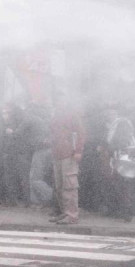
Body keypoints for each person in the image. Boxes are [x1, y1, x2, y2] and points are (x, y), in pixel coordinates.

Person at [48, 94, 85, 225]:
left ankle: (72, 214)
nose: (58, 102)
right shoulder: (55, 115)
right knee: (59, 186)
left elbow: (80, 133)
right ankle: (65, 212)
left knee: (69, 185)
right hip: (57, 154)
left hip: (69, 154)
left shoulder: (72, 115)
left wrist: (78, 151)